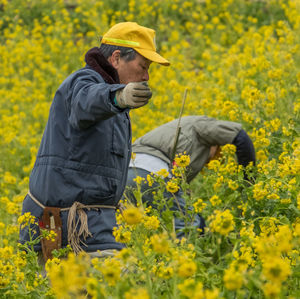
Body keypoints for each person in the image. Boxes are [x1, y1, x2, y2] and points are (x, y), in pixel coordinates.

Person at [19, 22, 170, 261]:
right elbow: (86, 102)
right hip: (72, 226)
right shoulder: (85, 82)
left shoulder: (111, 100)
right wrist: (118, 96)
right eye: (143, 66)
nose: (146, 76)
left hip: (90, 224)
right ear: (117, 58)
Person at [125, 115, 256, 237]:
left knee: (140, 233)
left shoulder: (177, 131)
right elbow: (240, 137)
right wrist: (249, 181)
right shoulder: (202, 124)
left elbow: (181, 202)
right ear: (215, 144)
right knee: (189, 229)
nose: (209, 161)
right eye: (215, 156)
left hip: (124, 176)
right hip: (152, 172)